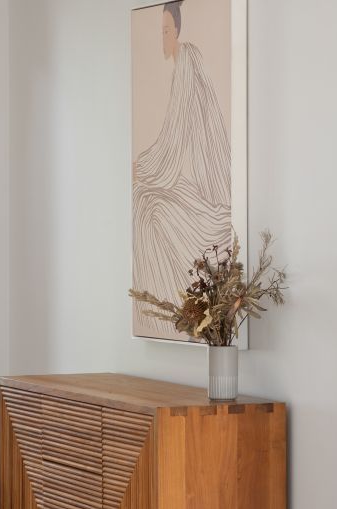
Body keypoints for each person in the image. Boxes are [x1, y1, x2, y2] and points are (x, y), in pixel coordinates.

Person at [133, 1, 232, 338]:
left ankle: (166, 315)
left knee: (147, 203)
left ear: (176, 31)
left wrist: (143, 167)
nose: (162, 38)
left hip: (206, 186)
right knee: (144, 201)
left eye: (165, 31)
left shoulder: (187, 61)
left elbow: (175, 138)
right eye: (160, 32)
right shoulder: (183, 63)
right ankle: (162, 317)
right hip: (191, 176)